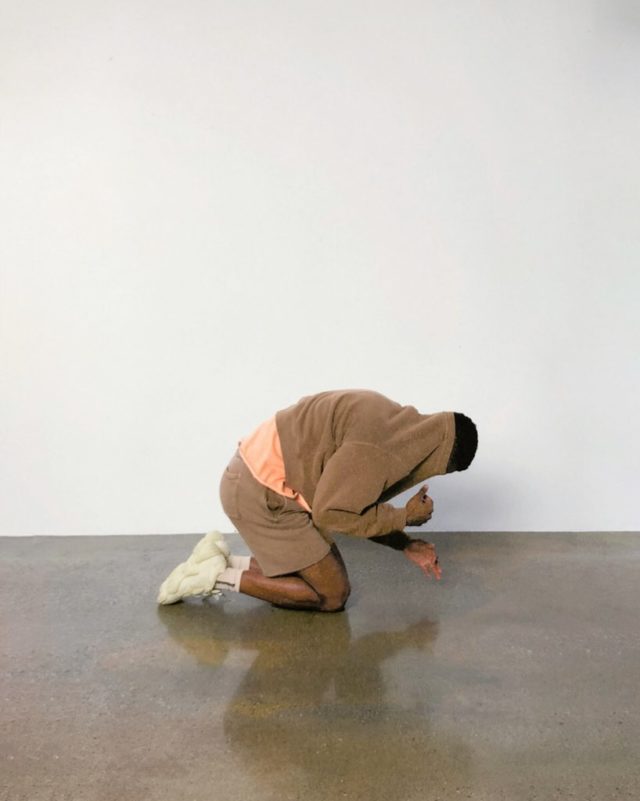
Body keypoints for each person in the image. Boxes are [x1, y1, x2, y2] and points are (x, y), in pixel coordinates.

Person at [157, 389, 478, 612]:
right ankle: (213, 576)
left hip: (256, 477)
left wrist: (405, 544)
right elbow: (333, 513)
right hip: (260, 492)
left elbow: (356, 506)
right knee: (332, 595)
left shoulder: (388, 418)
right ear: (440, 459)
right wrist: (404, 517)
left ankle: (219, 560)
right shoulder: (379, 452)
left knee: (319, 572)